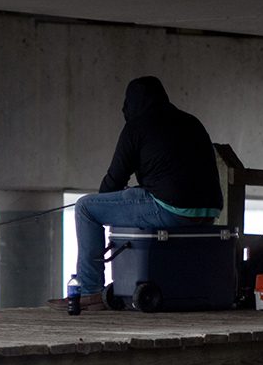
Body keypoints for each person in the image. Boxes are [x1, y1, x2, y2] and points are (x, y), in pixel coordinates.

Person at [50, 76, 223, 310]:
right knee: (139, 196)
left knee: (85, 208)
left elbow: (115, 179)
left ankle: (90, 292)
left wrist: (105, 201)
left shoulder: (137, 125)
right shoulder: (191, 121)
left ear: (131, 103)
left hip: (170, 209)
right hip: (209, 211)